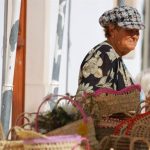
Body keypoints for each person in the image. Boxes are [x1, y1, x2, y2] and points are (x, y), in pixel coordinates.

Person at [76, 5, 145, 97]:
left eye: (137, 31)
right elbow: (89, 102)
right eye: (129, 30)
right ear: (112, 30)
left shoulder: (113, 55)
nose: (135, 36)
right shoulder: (104, 54)